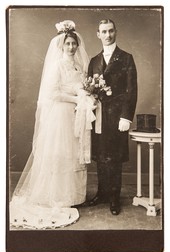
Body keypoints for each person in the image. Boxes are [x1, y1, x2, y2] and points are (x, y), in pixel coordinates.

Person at [10, 20, 96, 229]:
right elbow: (54, 93)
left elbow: (80, 86)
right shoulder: (57, 65)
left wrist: (86, 94)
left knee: (74, 152)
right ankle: (58, 196)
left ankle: (74, 196)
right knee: (61, 151)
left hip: (76, 115)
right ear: (61, 45)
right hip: (61, 115)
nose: (71, 47)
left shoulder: (79, 65)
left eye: (74, 43)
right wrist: (77, 99)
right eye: (67, 44)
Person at [88, 19, 137, 215]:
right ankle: (102, 193)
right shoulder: (93, 61)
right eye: (103, 32)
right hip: (99, 115)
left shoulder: (126, 58)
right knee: (100, 155)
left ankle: (114, 197)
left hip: (117, 116)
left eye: (110, 31)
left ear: (115, 32)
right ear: (98, 34)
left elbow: (131, 90)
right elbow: (89, 88)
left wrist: (126, 116)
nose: (107, 35)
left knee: (114, 157)